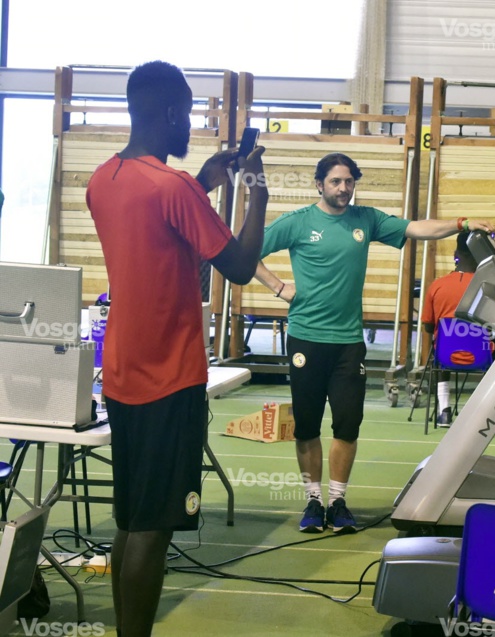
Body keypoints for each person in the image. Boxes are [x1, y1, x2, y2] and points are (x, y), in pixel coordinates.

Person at [87, 61, 268, 636]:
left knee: (132, 518)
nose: (191, 125)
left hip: (122, 374)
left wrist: (208, 180)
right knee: (155, 528)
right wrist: (256, 191)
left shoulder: (103, 179)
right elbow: (239, 267)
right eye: (188, 113)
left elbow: (156, 227)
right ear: (169, 113)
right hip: (170, 378)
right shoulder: (175, 187)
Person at [254, 153, 494, 534]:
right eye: (335, 181)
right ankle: (313, 501)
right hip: (307, 338)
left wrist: (460, 223)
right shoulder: (297, 222)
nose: (343, 188)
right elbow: (246, 251)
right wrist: (279, 287)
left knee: (348, 425)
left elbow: (417, 228)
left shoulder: (366, 219)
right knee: (307, 427)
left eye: (349, 181)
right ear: (319, 184)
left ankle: (338, 501)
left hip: (348, 341)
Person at [420, 231, 495, 431]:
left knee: (440, 344)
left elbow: (428, 327)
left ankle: (444, 411)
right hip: (481, 355)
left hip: (446, 357)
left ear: (456, 253)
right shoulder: (488, 287)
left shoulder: (437, 285)